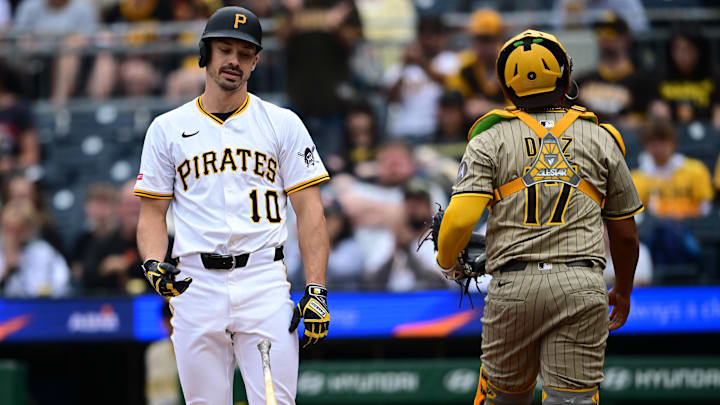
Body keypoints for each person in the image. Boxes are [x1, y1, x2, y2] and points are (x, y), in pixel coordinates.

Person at [134, 7, 330, 405]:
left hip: (263, 279)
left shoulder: (282, 122)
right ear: (205, 53)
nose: (234, 61)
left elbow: (310, 211)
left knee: (275, 402)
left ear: (256, 61)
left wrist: (316, 289)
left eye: (245, 53)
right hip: (195, 283)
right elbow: (152, 214)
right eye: (225, 49)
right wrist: (153, 262)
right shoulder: (167, 128)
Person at [437, 30, 643, 404]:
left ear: (506, 85)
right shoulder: (601, 138)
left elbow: (460, 220)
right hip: (580, 284)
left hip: (513, 287)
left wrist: (447, 261)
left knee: (503, 398)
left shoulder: (489, 138)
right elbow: (626, 235)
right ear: (566, 78)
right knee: (572, 401)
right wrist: (624, 290)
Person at [383, 15, 459, 141]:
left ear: (442, 37)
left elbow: (452, 86)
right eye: (424, 34)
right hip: (403, 130)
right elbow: (389, 98)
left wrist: (421, 63)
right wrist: (403, 68)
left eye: (434, 34)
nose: (428, 40)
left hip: (435, 130)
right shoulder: (402, 66)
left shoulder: (451, 60)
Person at [575, 11, 655, 126]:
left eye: (613, 33)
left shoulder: (643, 81)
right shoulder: (582, 80)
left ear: (627, 38)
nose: (606, 37)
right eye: (601, 33)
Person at [631, 120, 714, 219]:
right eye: (653, 143)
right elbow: (637, 217)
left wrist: (676, 213)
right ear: (645, 146)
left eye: (662, 142)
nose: (658, 149)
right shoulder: (636, 178)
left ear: (673, 143)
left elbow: (706, 208)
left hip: (691, 229)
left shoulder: (696, 170)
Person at [445, 8, 506, 121]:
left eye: (488, 39)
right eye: (478, 39)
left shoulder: (512, 65)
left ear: (499, 38)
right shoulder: (466, 64)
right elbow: (452, 94)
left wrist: (488, 108)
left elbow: (522, 112)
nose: (483, 46)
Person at [0, 200, 70, 297]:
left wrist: (17, 264)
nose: (13, 235)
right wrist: (7, 270)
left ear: (28, 228)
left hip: (38, 307)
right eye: (8, 229)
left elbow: (41, 291)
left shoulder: (42, 251)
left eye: (17, 230)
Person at [651, 29, 720, 127]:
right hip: (670, 132)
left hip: (707, 130)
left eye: (688, 49)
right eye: (677, 49)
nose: (682, 55)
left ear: (699, 50)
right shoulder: (660, 76)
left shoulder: (713, 77)